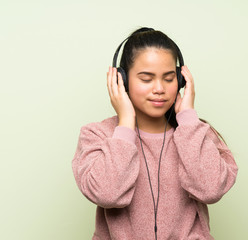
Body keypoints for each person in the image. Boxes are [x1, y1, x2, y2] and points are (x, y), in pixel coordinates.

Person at [72, 27, 238, 240]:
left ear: (180, 80)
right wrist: (125, 123)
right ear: (122, 80)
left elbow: (210, 190)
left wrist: (188, 119)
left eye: (169, 79)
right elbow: (107, 194)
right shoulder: (97, 135)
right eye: (146, 78)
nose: (159, 88)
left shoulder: (196, 134)